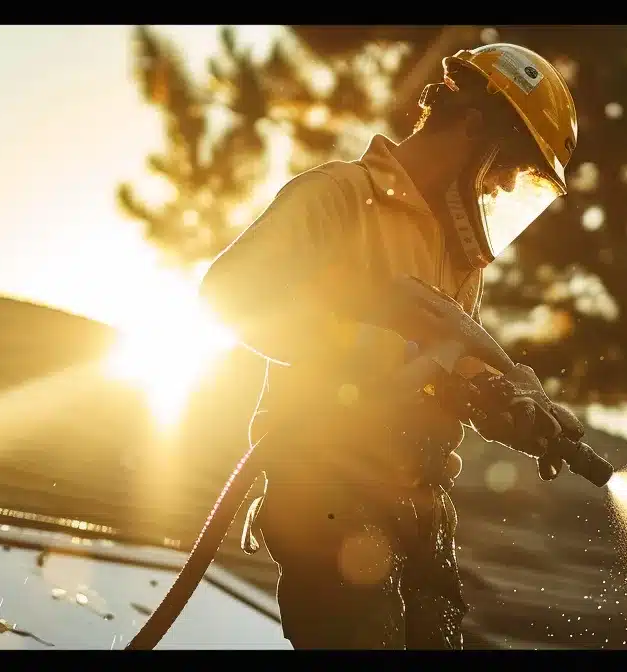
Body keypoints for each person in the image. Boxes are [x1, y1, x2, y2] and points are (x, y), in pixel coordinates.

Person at [196, 43, 580, 650]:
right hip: (328, 492)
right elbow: (228, 294)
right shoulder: (339, 196)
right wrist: (369, 343)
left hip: (420, 505)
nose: (504, 188)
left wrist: (516, 408)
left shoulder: (458, 255)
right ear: (473, 127)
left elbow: (454, 364)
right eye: (506, 167)